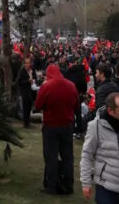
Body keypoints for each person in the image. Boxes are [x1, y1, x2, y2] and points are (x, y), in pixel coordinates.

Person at [80, 93, 119, 203]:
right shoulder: (95, 127)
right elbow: (87, 155)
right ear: (110, 111)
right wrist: (86, 183)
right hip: (106, 188)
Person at [34, 63, 78, 195]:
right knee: (68, 157)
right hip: (67, 125)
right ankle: (68, 185)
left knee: (51, 156)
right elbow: (76, 104)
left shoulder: (46, 86)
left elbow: (38, 105)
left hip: (51, 126)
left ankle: (51, 186)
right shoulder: (71, 85)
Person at [16, 56, 38, 128]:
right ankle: (25, 123)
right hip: (25, 91)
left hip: (32, 91)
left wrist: (34, 80)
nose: (27, 65)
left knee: (29, 107)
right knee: (25, 107)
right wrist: (28, 81)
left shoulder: (32, 70)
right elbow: (19, 81)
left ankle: (28, 122)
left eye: (28, 63)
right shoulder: (22, 71)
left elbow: (35, 78)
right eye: (26, 63)